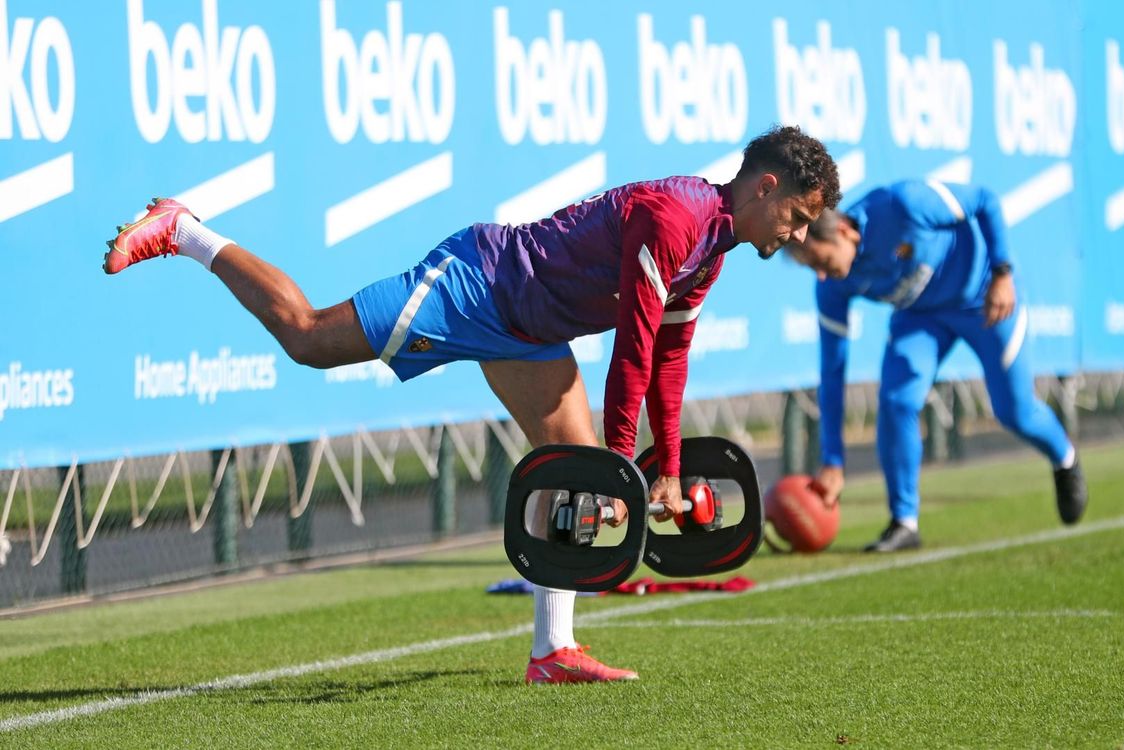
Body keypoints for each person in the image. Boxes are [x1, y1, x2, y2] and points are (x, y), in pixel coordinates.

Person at [103, 126, 841, 682]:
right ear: (766, 188)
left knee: (574, 478)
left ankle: (552, 649)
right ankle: (185, 230)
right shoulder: (675, 217)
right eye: (801, 217)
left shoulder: (712, 249)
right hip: (478, 284)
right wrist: (628, 467)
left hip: (534, 330)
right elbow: (634, 351)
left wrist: (669, 468)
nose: (802, 236)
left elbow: (669, 362)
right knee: (308, 339)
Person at [787, 179, 1088, 552]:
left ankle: (1064, 458)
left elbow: (985, 198)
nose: (820, 274)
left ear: (845, 231)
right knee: (897, 401)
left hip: (984, 298)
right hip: (921, 317)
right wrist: (832, 460)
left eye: (821, 261)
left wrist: (1002, 273)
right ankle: (904, 522)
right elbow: (832, 371)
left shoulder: (903, 204)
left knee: (1015, 412)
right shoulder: (831, 286)